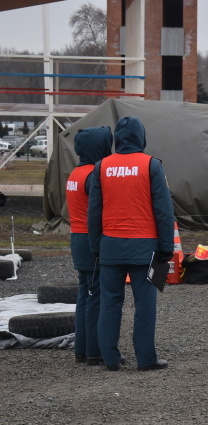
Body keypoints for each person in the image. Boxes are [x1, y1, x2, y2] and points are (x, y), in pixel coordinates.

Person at [87, 116, 173, 371]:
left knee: (110, 303)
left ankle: (111, 359)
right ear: (141, 137)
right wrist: (166, 247)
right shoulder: (151, 166)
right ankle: (146, 359)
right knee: (145, 305)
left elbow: (94, 211)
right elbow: (163, 211)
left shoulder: (101, 167)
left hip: (110, 246)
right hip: (146, 248)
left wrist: (96, 247)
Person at [66, 126, 113, 366]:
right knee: (96, 296)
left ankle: (82, 350)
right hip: (91, 238)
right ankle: (95, 350)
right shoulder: (94, 174)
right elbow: (102, 208)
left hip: (77, 237)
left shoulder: (75, 173)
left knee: (85, 294)